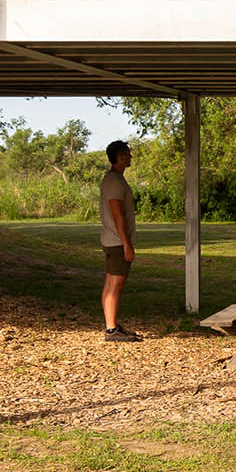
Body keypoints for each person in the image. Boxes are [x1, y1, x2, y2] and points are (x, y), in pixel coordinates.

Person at [99, 139, 140, 342]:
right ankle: (111, 330)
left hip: (111, 240)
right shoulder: (114, 181)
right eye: (128, 154)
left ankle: (112, 325)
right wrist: (127, 243)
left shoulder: (113, 179)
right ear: (120, 157)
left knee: (110, 283)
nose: (130, 157)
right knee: (116, 285)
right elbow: (118, 215)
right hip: (116, 242)